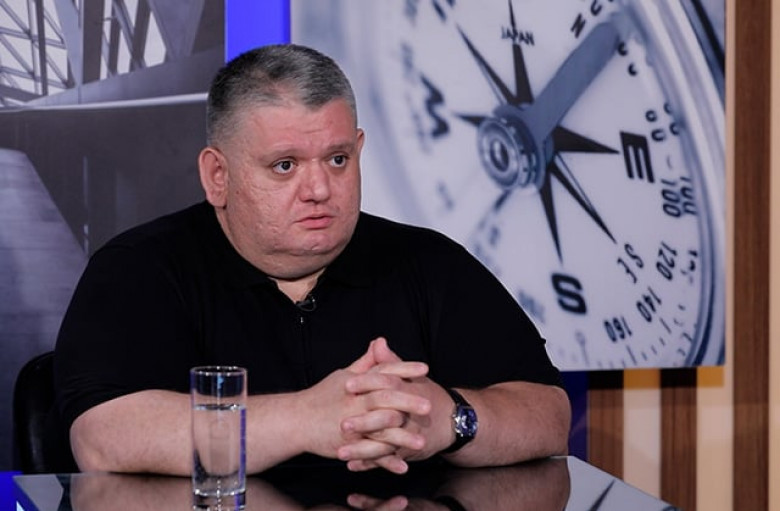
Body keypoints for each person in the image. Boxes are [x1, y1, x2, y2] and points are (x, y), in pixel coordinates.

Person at [45, 44, 570, 476]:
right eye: (285, 165)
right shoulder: (138, 268)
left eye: (338, 159)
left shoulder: (428, 262)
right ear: (218, 176)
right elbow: (101, 437)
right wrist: (306, 419)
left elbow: (548, 413)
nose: (319, 188)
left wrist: (450, 421)